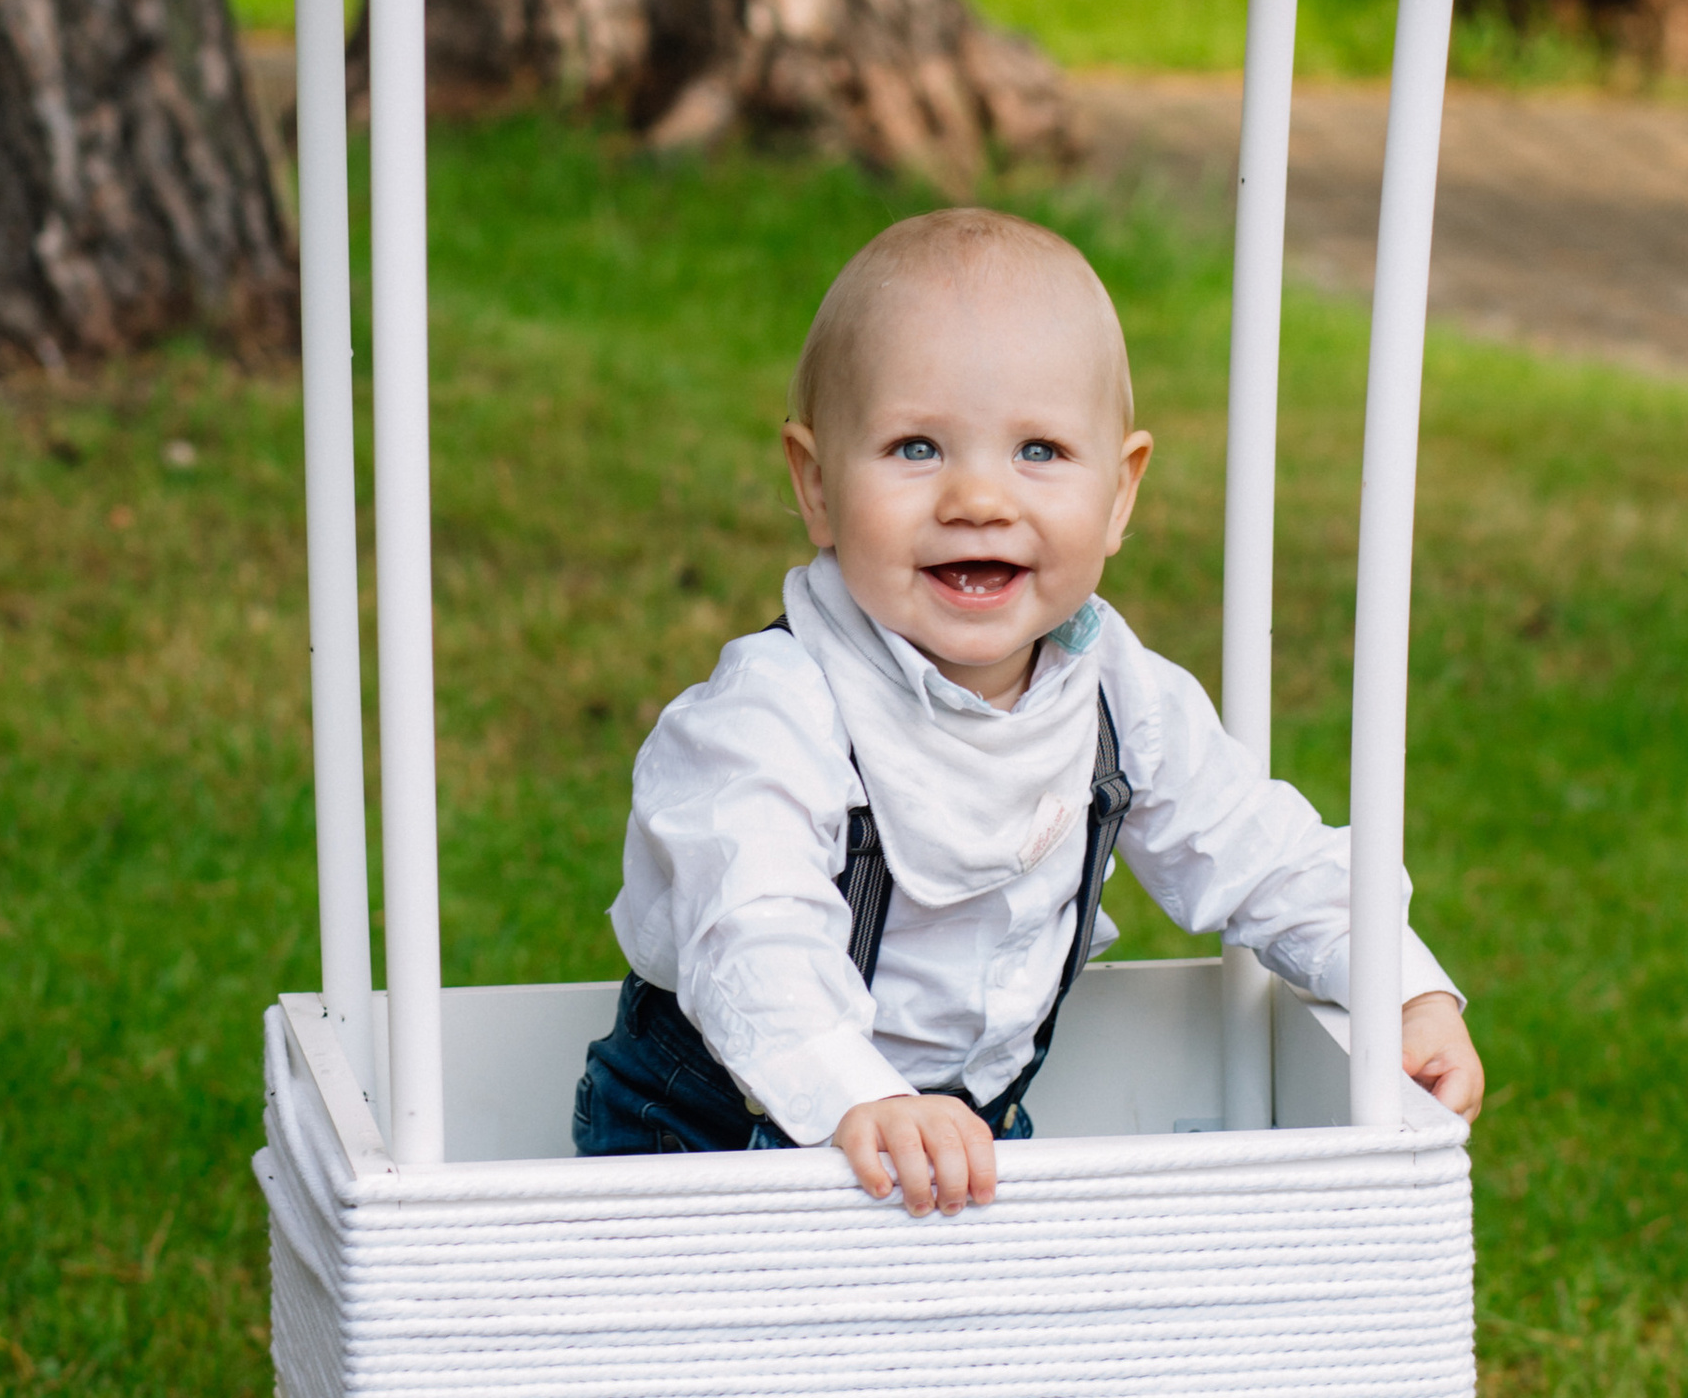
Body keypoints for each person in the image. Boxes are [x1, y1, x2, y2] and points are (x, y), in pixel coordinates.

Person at [575, 207, 1483, 1214]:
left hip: (970, 1132)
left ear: (1121, 495)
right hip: (715, 1133)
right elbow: (748, 929)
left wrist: (1401, 983)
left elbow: (1255, 845)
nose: (976, 496)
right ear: (817, 483)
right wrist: (857, 1092)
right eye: (916, 446)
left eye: (1039, 451)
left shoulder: (1115, 688)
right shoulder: (774, 709)